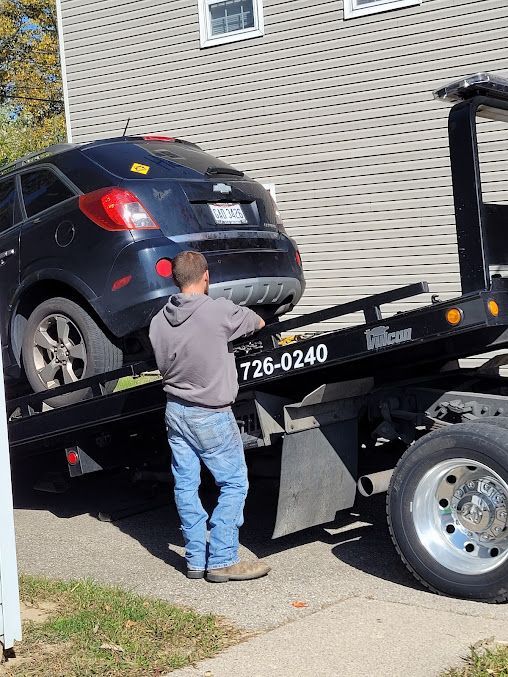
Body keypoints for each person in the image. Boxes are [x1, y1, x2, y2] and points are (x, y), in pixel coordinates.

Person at [149, 251, 271, 583]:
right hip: (211, 414)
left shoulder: (158, 321)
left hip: (175, 412)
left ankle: (195, 560)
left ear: (174, 279)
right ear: (206, 277)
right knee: (233, 483)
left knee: (186, 485)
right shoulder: (217, 311)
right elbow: (258, 323)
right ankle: (222, 559)